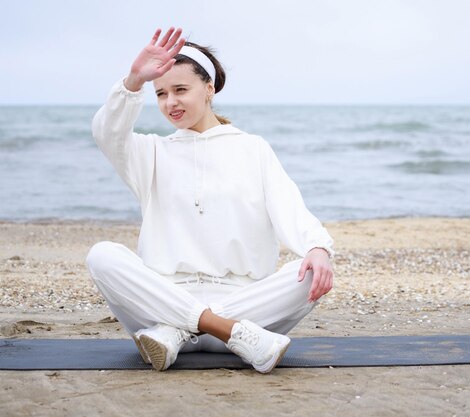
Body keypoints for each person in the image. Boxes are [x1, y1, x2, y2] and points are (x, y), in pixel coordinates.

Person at [86, 27, 334, 374]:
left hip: (240, 306)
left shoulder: (252, 148)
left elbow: (289, 206)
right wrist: (133, 81)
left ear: (209, 89)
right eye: (160, 93)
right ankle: (223, 330)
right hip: (176, 304)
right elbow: (106, 132)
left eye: (181, 90)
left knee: (311, 271)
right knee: (102, 256)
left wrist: (317, 248)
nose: (170, 102)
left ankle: (179, 334)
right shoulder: (150, 152)